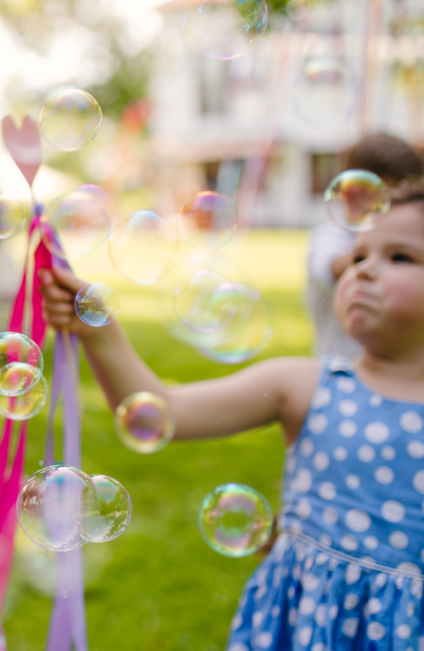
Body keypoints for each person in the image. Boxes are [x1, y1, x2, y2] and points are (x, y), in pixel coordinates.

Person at [40, 180, 424, 649]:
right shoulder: (303, 385)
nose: (363, 271)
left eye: (400, 257)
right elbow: (165, 411)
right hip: (299, 623)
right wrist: (99, 330)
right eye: (358, 255)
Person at [307, 133, 423, 358]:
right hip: (342, 367)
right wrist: (393, 254)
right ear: (352, 193)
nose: (400, 209)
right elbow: (329, 268)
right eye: (389, 200)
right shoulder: (330, 236)